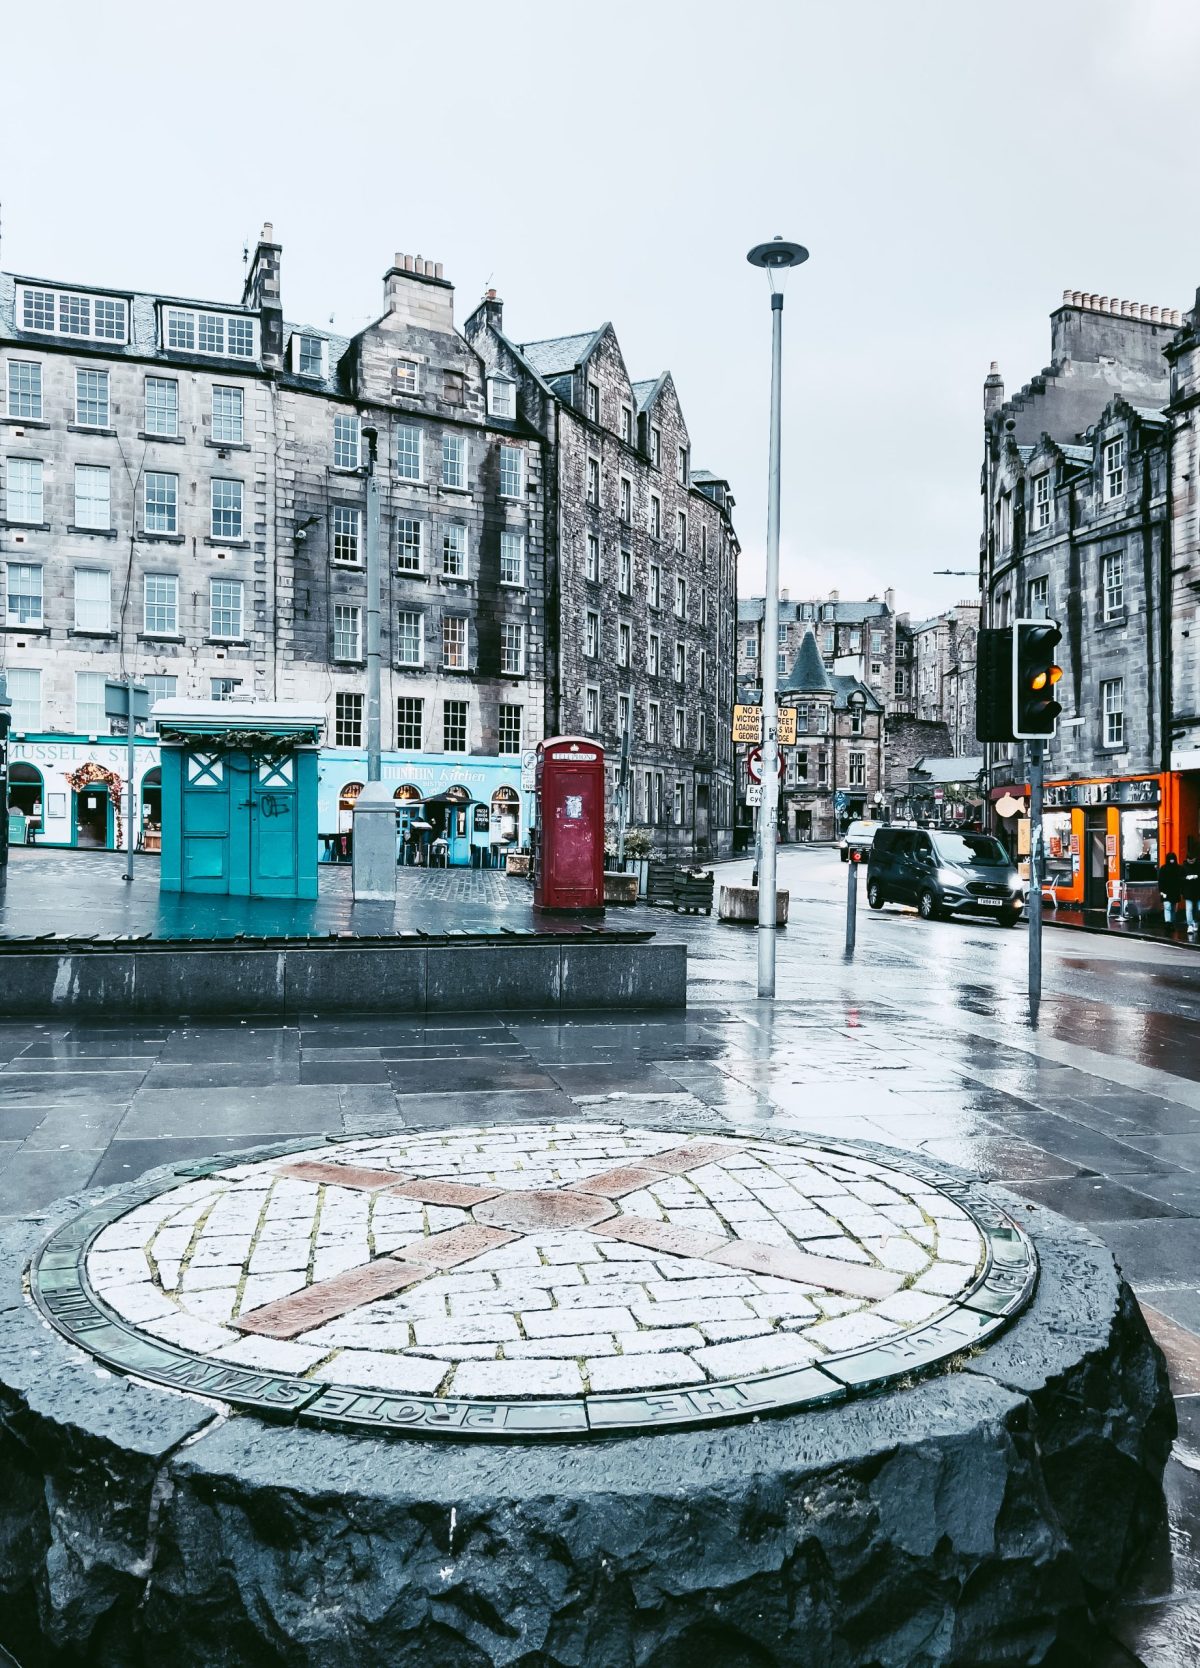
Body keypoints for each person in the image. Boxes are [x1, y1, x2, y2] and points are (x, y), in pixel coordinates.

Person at [1158, 852, 1183, 929]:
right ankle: (1168, 922)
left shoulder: (1164, 868)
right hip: (1169, 891)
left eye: (1172, 859)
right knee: (1168, 907)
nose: (1171, 860)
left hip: (1173, 891)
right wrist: (1161, 891)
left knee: (1172, 907)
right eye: (1170, 859)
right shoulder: (1177, 868)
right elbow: (1160, 881)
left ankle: (1170, 922)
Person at [1181, 848, 1200, 938]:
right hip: (1188, 891)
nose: (1191, 860)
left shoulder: (1198, 865)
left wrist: (1197, 877)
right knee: (1189, 909)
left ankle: (1196, 922)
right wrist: (1186, 878)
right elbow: (1180, 878)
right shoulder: (1184, 866)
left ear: (1195, 858)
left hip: (1197, 891)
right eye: (1189, 859)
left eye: (1192, 859)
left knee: (1198, 909)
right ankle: (1190, 925)